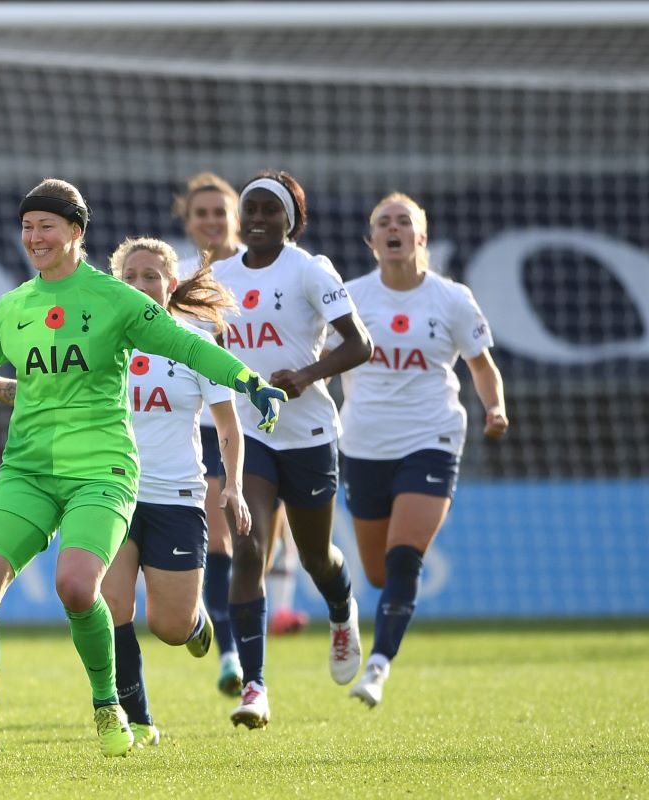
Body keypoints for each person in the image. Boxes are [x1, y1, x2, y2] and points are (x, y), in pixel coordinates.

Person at [0, 178, 286, 760]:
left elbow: (189, 348)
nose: (34, 236)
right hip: (26, 472)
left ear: (76, 232)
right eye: (27, 226)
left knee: (78, 588)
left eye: (46, 226)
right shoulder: (12, 308)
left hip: (102, 471)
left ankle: (110, 709)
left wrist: (249, 381)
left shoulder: (116, 299)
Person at [210, 170, 373, 730]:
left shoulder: (310, 269)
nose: (256, 219)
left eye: (268, 211)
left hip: (307, 433)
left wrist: (306, 375)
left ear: (290, 220)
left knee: (314, 556)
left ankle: (341, 610)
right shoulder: (218, 275)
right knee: (249, 548)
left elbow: (360, 344)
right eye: (248, 210)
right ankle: (255, 687)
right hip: (249, 433)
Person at [339, 193, 508, 707]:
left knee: (404, 558)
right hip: (364, 443)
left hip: (431, 438)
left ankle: (377, 668)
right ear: (371, 241)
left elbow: (480, 365)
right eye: (383, 222)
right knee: (375, 573)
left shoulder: (452, 299)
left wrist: (495, 408)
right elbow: (318, 357)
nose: (394, 229)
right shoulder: (348, 298)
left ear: (421, 237)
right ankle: (348, 616)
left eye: (404, 221)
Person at [101, 237, 251, 747]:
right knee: (112, 608)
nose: (141, 285)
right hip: (111, 493)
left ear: (171, 284)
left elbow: (228, 426)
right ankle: (136, 720)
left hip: (178, 499)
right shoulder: (100, 341)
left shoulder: (196, 344)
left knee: (167, 625)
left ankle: (193, 624)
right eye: (132, 277)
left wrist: (233, 485)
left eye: (151, 276)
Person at [174, 173, 307, 698]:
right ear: (187, 222)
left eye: (219, 212)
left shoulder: (268, 272)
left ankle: (243, 639)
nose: (210, 221)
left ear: (238, 217)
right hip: (200, 426)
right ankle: (230, 652)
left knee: (253, 543)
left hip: (262, 427)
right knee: (222, 529)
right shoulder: (178, 278)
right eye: (200, 213)